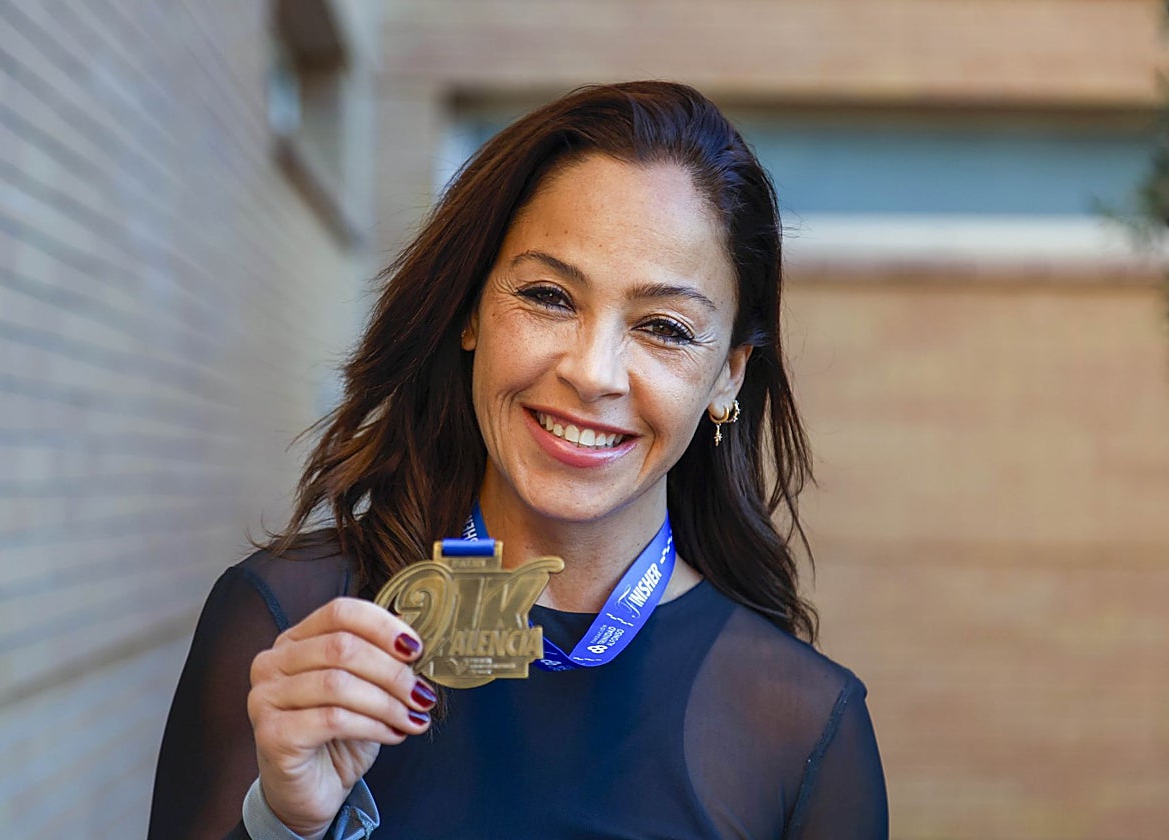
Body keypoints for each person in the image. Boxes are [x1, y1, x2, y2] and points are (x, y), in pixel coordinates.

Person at [149, 80, 888, 840]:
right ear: (472, 310)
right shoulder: (295, 627)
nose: (592, 373)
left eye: (664, 327)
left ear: (728, 376)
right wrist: (282, 823)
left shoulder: (803, 729)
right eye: (549, 296)